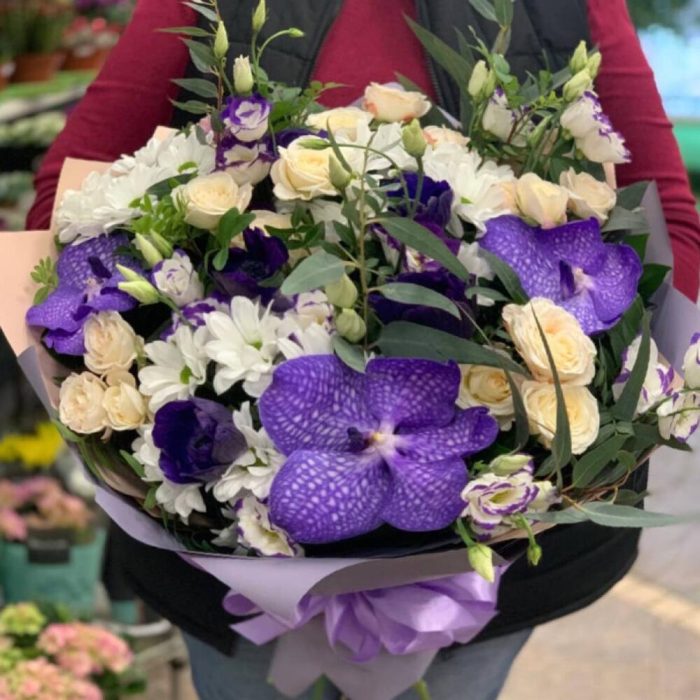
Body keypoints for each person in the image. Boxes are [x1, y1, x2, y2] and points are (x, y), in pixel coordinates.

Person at [27, 1, 700, 699]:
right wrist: (155, 416)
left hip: (489, 569)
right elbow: (67, 197)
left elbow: (669, 225)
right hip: (234, 562)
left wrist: (564, 425)